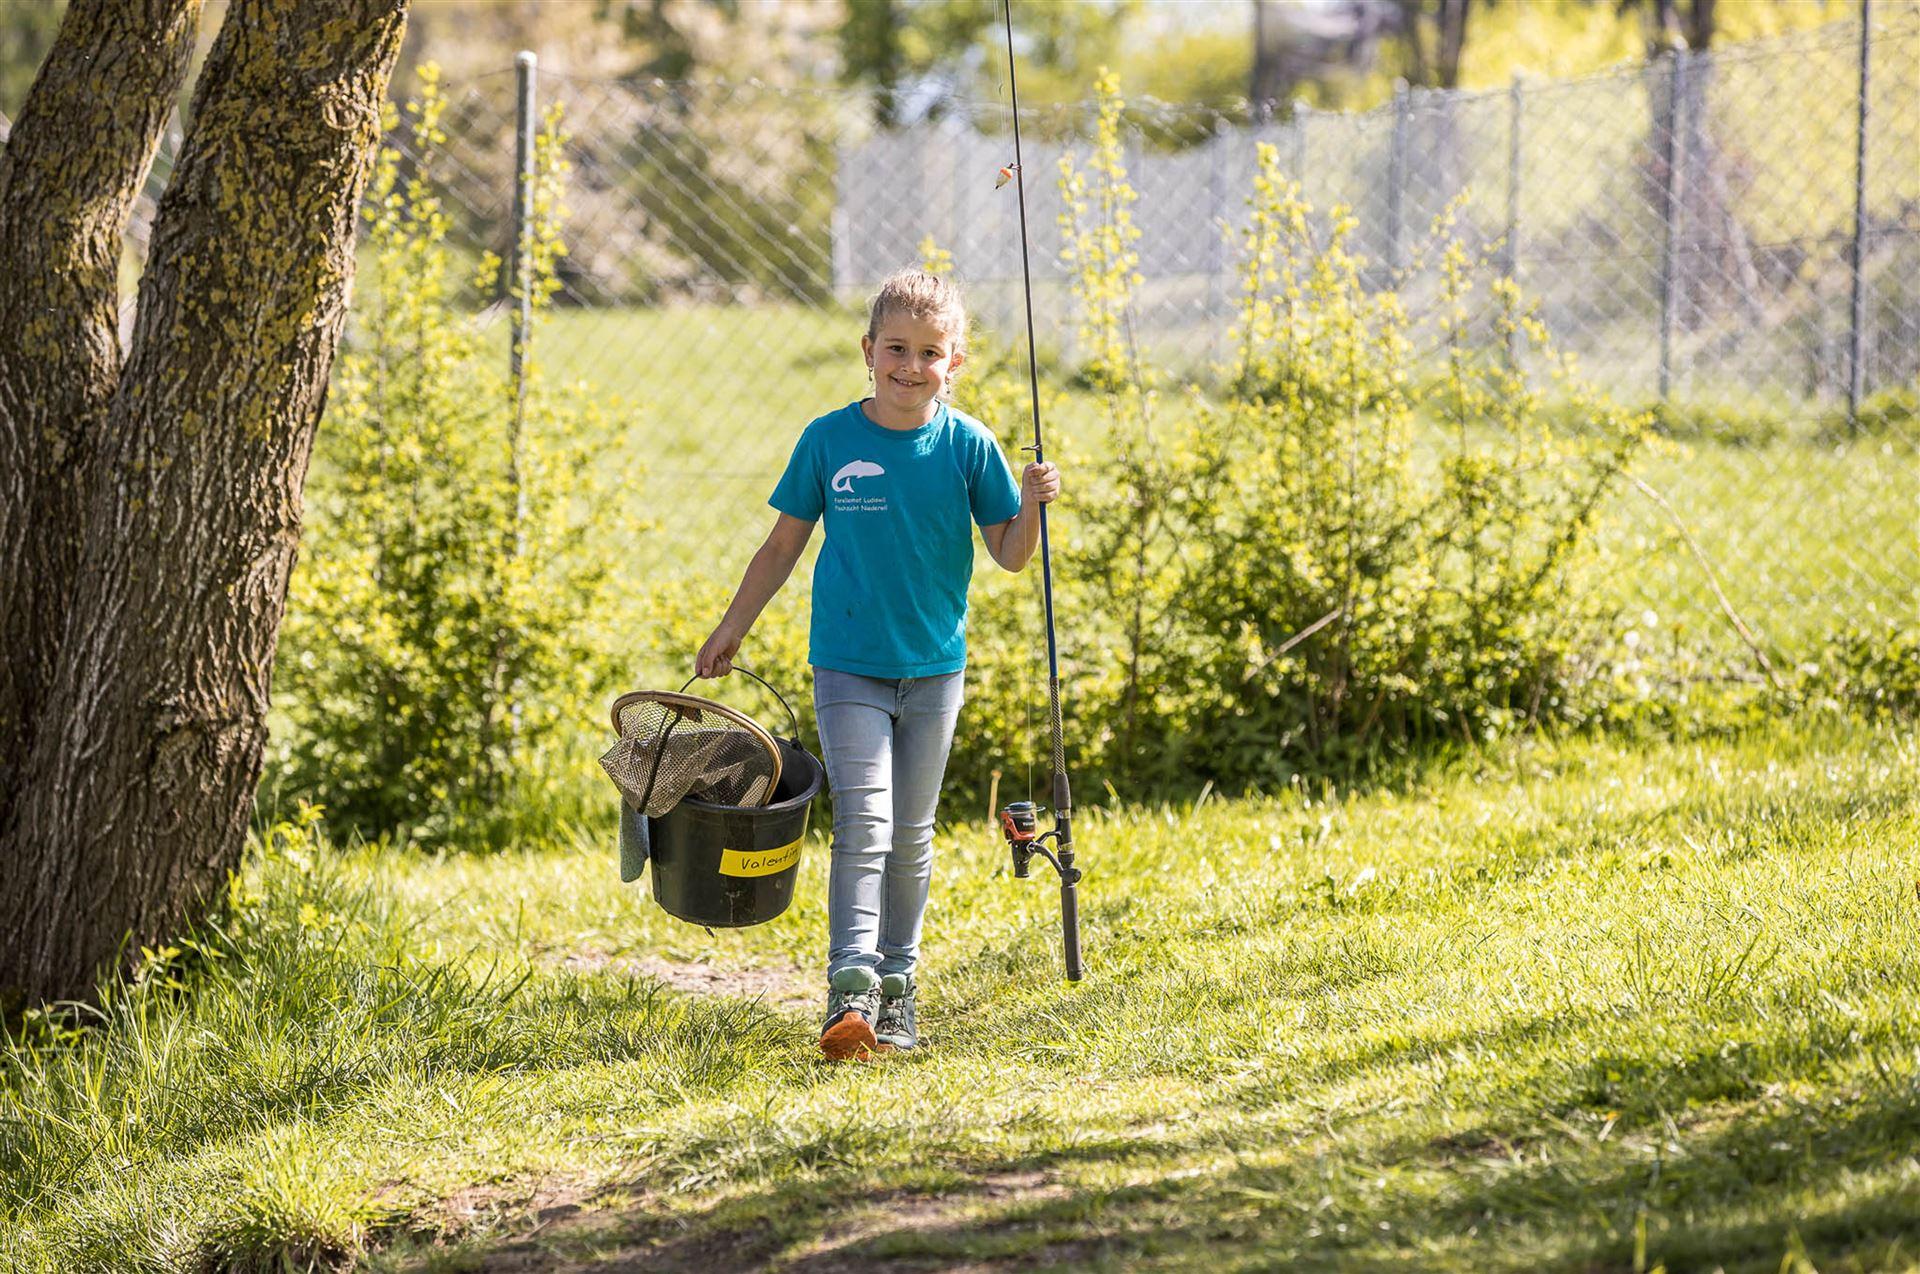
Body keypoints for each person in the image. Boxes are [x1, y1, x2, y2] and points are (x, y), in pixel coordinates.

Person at [695, 267, 1060, 1061]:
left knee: (912, 835)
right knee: (866, 822)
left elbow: (1008, 555)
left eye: (930, 353)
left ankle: (899, 992)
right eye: (896, 348)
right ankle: (848, 991)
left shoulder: (968, 444)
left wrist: (1030, 505)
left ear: (954, 362)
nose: (910, 366)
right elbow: (782, 546)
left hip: (935, 669)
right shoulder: (828, 439)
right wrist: (733, 627)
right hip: (848, 665)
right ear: (868, 351)